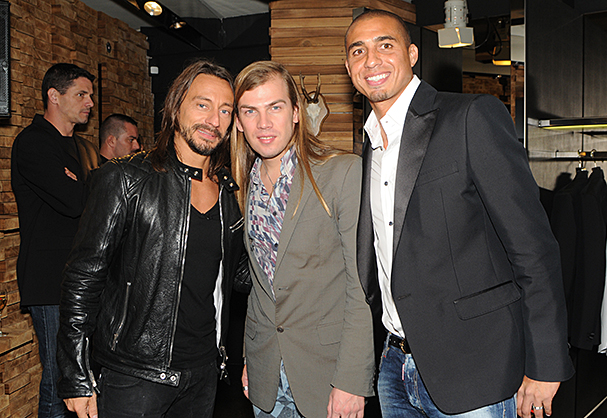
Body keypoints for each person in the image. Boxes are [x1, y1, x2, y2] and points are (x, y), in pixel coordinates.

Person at [344, 9, 574, 418]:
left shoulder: (471, 117)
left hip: (476, 369)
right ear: (348, 67)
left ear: (412, 54)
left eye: (385, 45)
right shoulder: (370, 145)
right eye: (358, 51)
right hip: (395, 367)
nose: (371, 60)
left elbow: (532, 247)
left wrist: (545, 362)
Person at [57, 59, 247, 418]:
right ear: (175, 107)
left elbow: (240, 277)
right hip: (134, 375)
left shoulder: (229, 192)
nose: (214, 120)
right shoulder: (125, 179)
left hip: (204, 372)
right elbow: (82, 279)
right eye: (202, 104)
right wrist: (75, 375)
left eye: (225, 110)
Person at [231, 61, 374, 418]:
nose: (263, 123)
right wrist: (251, 357)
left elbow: (361, 288)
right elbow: (262, 286)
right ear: (238, 121)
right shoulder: (242, 185)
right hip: (266, 372)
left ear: (296, 113)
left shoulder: (342, 173)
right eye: (250, 111)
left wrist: (353, 380)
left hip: (327, 375)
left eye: (275, 107)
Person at [11, 63, 99, 418]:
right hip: (48, 279)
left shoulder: (81, 148)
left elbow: (97, 200)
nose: (90, 102)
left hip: (79, 279)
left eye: (90, 95)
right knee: (59, 377)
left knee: (80, 376)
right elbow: (74, 201)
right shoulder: (33, 142)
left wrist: (83, 186)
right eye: (81, 94)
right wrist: (86, 188)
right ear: (54, 96)